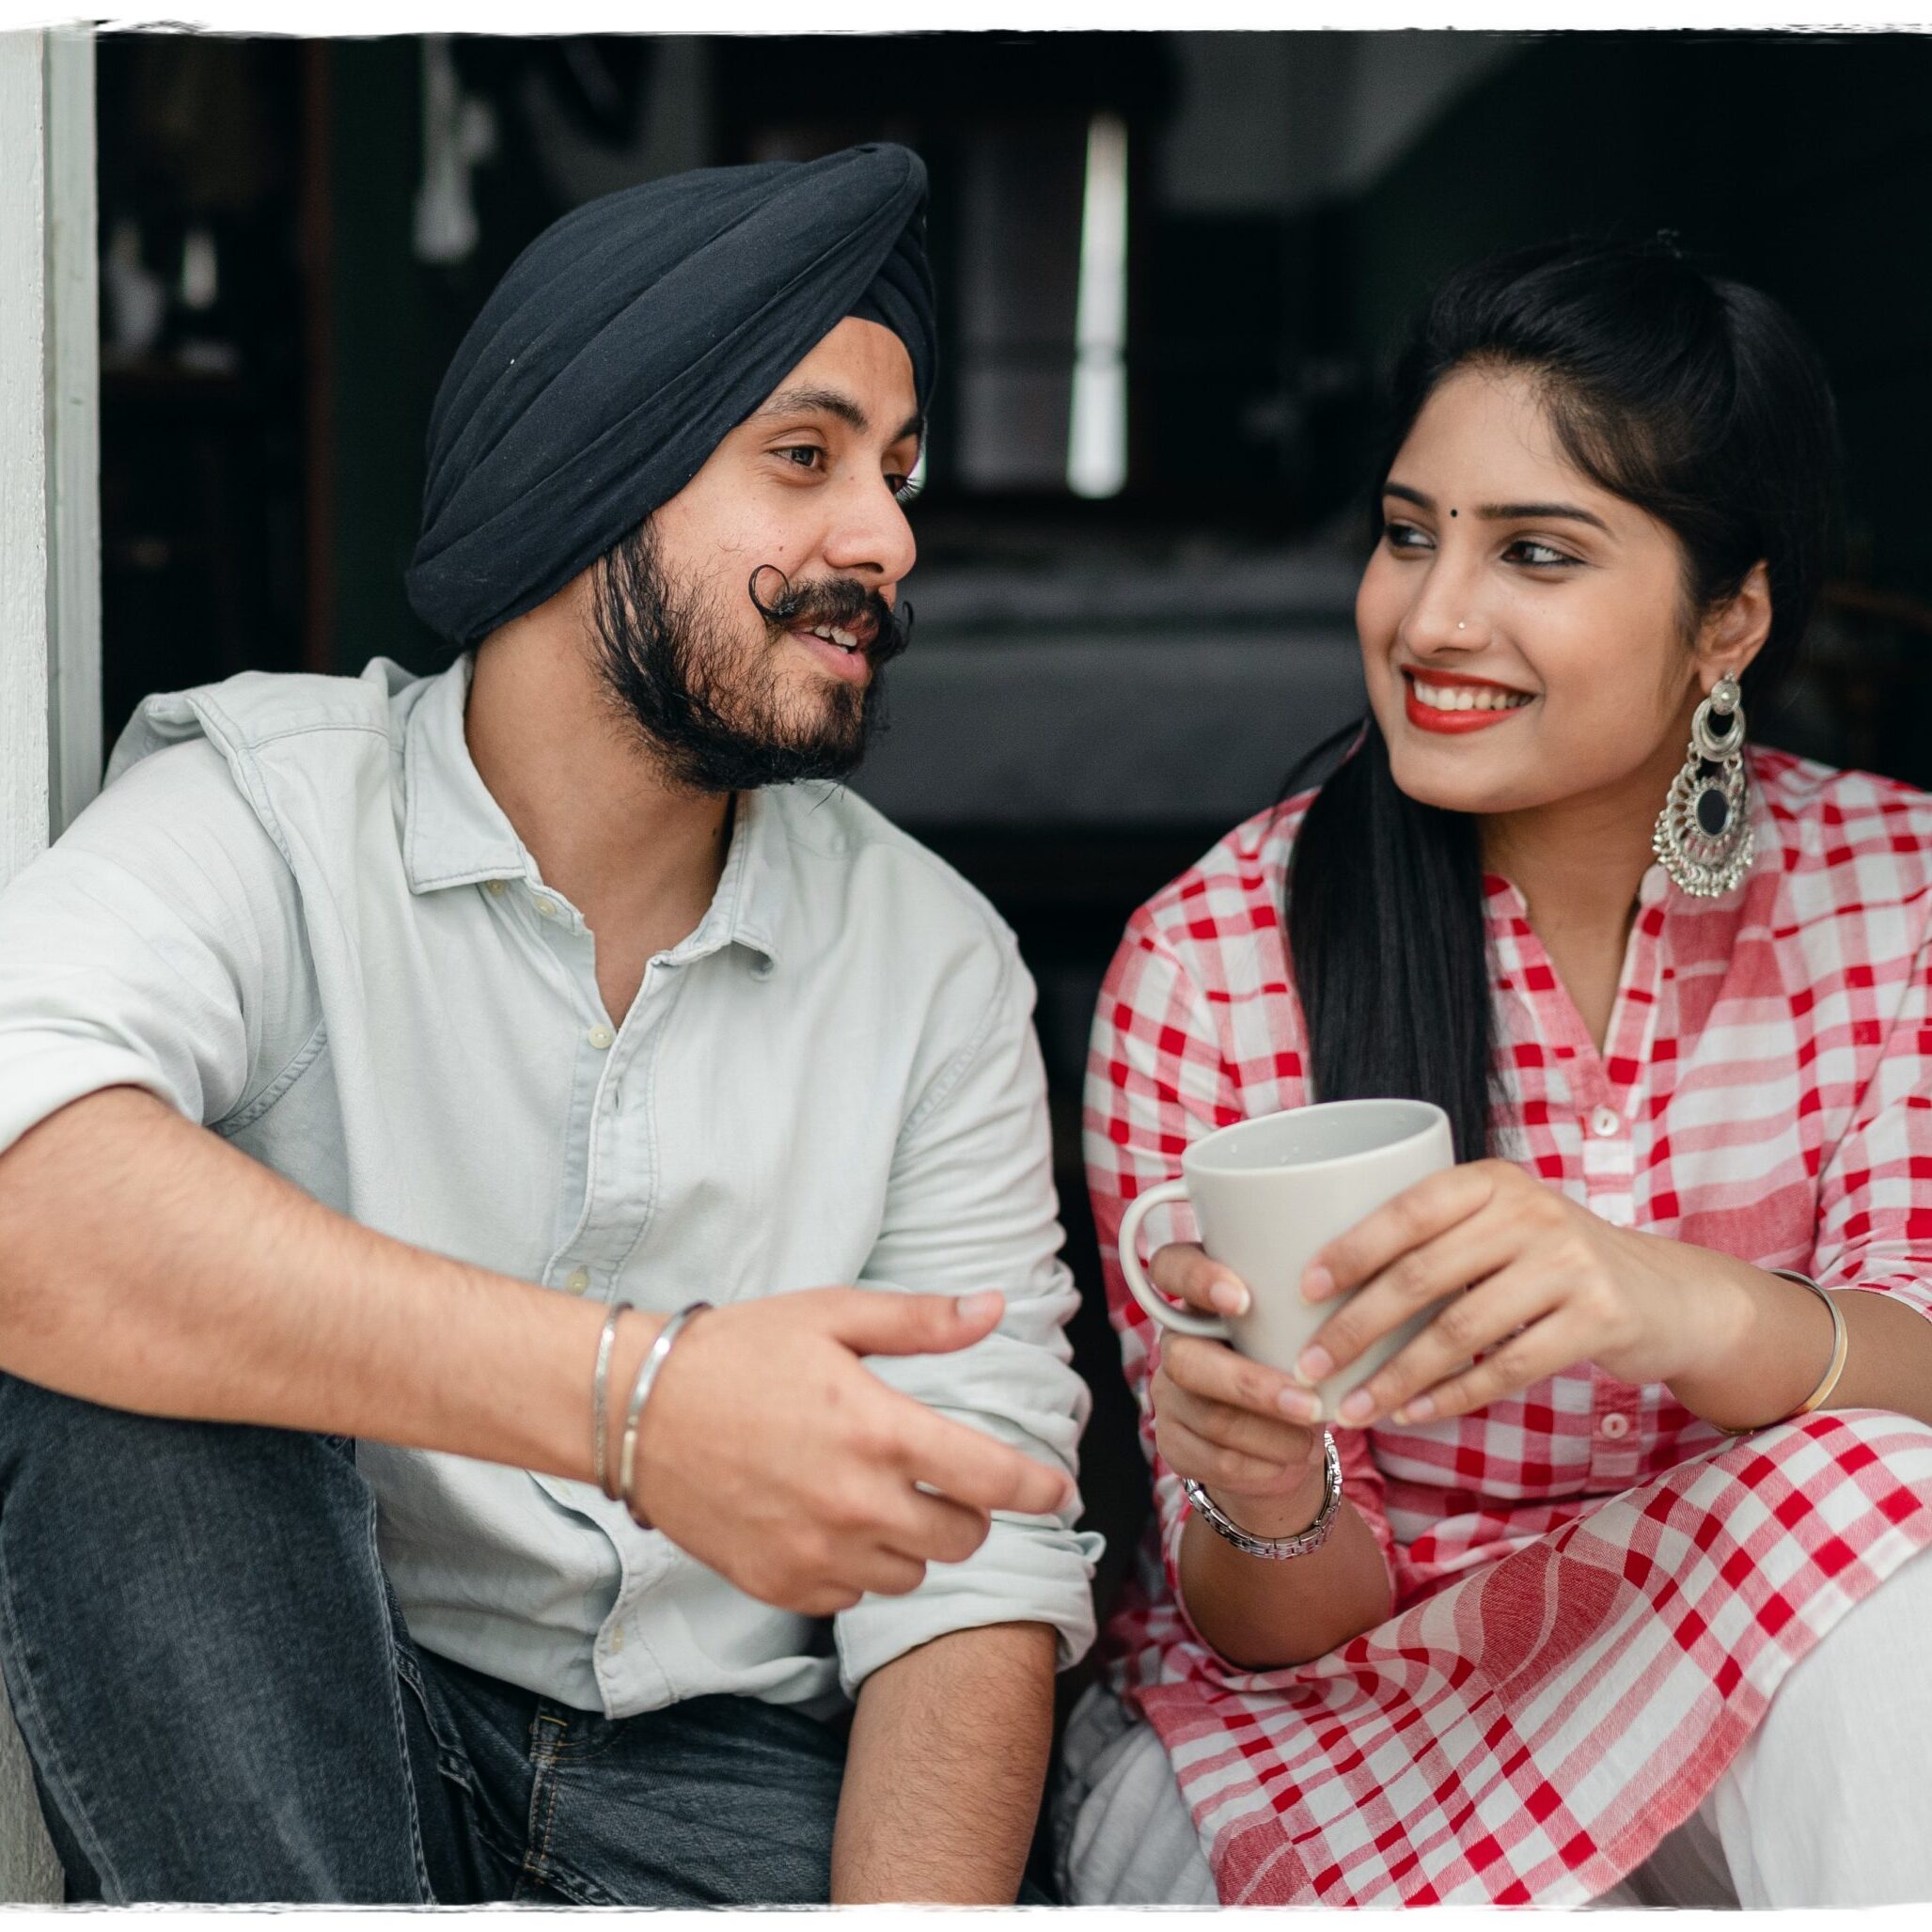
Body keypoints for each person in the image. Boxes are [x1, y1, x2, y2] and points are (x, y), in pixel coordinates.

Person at [0, 142, 1099, 1907]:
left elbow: (976, 1569)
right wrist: (635, 1405)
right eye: (803, 458)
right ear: (592, 476)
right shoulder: (269, 814)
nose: (890, 537)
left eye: (895, 474)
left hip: (738, 1770)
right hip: (329, 1711)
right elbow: (16, 1169)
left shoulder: (935, 961)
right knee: (123, 1378)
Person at [1063, 236, 1932, 1908]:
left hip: (1777, 1674)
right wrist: (1261, 1493)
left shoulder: (1893, 896)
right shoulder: (1216, 959)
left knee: (1875, 1491)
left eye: (1537, 552)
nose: (1431, 616)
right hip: (1336, 1727)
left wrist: (1673, 1305)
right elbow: (1270, 1617)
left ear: (1727, 620)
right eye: (1408, 536)